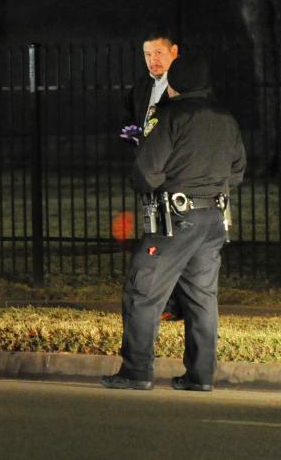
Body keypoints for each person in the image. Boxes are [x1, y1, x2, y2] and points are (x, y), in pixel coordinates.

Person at [102, 55, 246, 391]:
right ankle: (200, 376)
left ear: (174, 84)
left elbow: (146, 171)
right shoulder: (227, 119)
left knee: (143, 291)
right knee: (202, 298)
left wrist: (165, 186)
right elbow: (238, 170)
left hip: (176, 219)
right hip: (214, 220)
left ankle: (136, 371)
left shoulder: (170, 116)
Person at [121, 27, 184, 320]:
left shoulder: (185, 89)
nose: (152, 60)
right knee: (156, 239)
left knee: (177, 241)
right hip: (152, 174)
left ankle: (176, 303)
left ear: (174, 52)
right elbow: (133, 120)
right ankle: (167, 303)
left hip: (178, 176)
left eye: (158, 53)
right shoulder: (141, 88)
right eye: (147, 54)